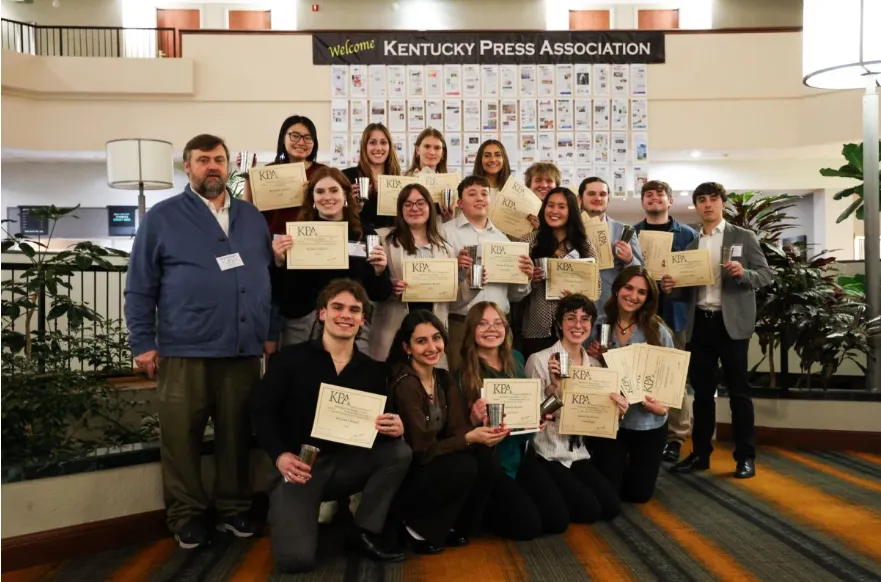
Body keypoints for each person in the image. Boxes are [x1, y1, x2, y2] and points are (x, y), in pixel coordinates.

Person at [125, 134, 280, 549]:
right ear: (188, 167)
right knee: (181, 438)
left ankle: (233, 508)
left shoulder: (251, 217)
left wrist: (269, 332)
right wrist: (142, 341)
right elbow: (140, 286)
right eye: (202, 160)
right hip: (183, 351)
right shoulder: (162, 217)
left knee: (235, 436)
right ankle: (187, 515)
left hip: (242, 351)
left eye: (219, 160)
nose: (212, 167)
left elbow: (269, 279)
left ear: (229, 167)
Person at [252, 279, 412, 572]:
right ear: (322, 313)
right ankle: (298, 509)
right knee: (294, 561)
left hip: (346, 464)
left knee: (399, 451)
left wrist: (394, 426)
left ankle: (363, 531)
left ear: (362, 319)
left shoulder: (372, 371)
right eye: (337, 307)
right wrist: (280, 456)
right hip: (299, 468)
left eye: (354, 310)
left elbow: (378, 426)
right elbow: (261, 413)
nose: (345, 315)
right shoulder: (290, 360)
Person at [662, 182, 772, 479]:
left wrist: (744, 273)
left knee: (739, 394)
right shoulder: (691, 243)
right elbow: (687, 292)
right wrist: (672, 289)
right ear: (696, 206)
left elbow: (766, 275)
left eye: (713, 199)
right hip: (701, 324)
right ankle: (700, 454)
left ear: (723, 203)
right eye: (701, 200)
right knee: (701, 395)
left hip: (732, 325)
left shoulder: (743, 237)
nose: (707, 204)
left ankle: (745, 458)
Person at [388, 310, 505, 553]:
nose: (432, 347)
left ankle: (458, 527)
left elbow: (458, 428)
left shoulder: (442, 378)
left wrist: (480, 433)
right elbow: (421, 449)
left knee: (486, 458)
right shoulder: (405, 383)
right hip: (411, 469)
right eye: (421, 341)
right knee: (464, 465)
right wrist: (468, 438)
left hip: (438, 458)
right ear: (407, 348)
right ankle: (415, 527)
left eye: (436, 338)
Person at [456, 302, 564, 541]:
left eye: (497, 323)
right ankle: (481, 509)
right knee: (528, 527)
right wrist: (472, 419)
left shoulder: (516, 358)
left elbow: (528, 409)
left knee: (557, 521)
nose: (491, 329)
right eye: (482, 323)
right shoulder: (462, 373)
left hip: (520, 452)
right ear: (471, 330)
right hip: (492, 461)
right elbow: (456, 431)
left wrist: (539, 415)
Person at [525, 294, 625, 523]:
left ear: (592, 324)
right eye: (571, 318)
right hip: (547, 452)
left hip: (578, 452)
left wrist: (616, 412)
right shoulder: (538, 360)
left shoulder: (596, 366)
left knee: (610, 507)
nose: (578, 325)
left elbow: (596, 417)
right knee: (587, 510)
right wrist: (556, 388)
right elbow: (532, 416)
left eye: (585, 319)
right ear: (560, 323)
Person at [270, 167, 392, 350]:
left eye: (334, 190)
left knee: (350, 379)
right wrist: (279, 263)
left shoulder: (365, 236)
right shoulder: (295, 236)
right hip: (302, 330)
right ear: (312, 198)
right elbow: (282, 295)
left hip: (352, 330)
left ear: (345, 195)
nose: (327, 197)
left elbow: (380, 294)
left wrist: (379, 272)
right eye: (320, 191)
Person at [587, 266, 673, 503]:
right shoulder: (598, 325)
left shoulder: (657, 331)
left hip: (647, 421)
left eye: (642, 292)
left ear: (648, 299)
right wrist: (591, 355)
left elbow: (673, 381)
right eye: (628, 288)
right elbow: (582, 369)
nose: (633, 296)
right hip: (611, 422)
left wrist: (663, 408)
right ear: (616, 289)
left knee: (638, 495)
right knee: (608, 493)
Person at [633, 180, 698, 464]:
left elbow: (698, 279)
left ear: (670, 201)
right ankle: (639, 431)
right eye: (648, 195)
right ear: (643, 202)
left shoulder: (688, 235)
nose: (654, 198)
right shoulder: (631, 233)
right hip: (638, 315)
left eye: (660, 194)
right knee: (636, 373)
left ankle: (676, 437)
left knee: (676, 379)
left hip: (675, 315)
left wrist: (678, 285)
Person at [442, 175, 534, 369]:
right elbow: (437, 285)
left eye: (484, 193)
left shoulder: (504, 239)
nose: (479, 198)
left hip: (499, 327)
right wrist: (454, 266)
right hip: (461, 324)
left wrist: (524, 277)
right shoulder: (444, 234)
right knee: (460, 385)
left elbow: (515, 296)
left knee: (498, 384)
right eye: (472, 194)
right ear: (459, 202)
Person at [370, 184, 454, 364]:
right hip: (393, 330)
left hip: (432, 334)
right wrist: (388, 285)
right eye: (407, 204)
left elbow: (452, 299)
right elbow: (371, 285)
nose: (414, 208)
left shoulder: (445, 248)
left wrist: (472, 283)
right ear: (400, 210)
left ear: (430, 208)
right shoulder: (383, 239)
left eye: (420, 203)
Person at [520, 187, 598, 359]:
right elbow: (514, 290)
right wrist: (530, 279)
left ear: (572, 211)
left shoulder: (584, 245)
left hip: (572, 329)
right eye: (550, 205)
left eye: (562, 207)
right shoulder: (529, 242)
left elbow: (596, 289)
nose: (554, 211)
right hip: (536, 329)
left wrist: (578, 298)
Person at [242, 115, 326, 235]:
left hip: (312, 242)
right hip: (273, 243)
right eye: (295, 136)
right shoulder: (268, 171)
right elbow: (249, 210)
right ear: (283, 137)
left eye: (308, 137)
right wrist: (248, 176)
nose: (301, 142)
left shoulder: (323, 172)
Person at [579, 176, 644, 312]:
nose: (597, 198)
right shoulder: (568, 229)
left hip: (610, 306)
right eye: (591, 193)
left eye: (602, 194)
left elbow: (641, 272)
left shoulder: (624, 230)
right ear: (580, 199)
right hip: (575, 305)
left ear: (608, 199)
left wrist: (630, 260)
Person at [342, 123, 402, 231]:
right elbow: (336, 217)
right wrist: (352, 206)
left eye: (383, 142)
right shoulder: (346, 177)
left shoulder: (400, 179)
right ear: (364, 146)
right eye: (372, 143)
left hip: (393, 242)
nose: (378, 148)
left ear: (390, 146)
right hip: (359, 242)